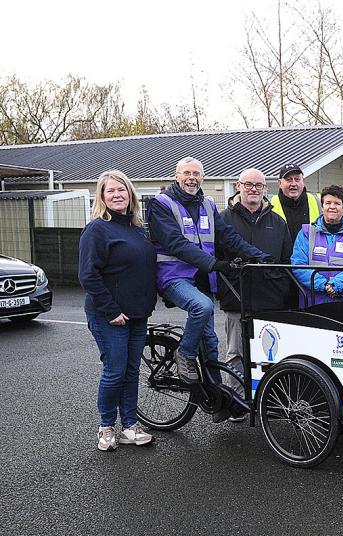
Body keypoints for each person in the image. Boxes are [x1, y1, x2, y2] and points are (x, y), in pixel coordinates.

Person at [147, 157, 268, 385]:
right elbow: (176, 244)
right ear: (176, 176)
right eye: (187, 173)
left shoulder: (208, 204)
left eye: (196, 174)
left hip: (203, 279)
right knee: (202, 307)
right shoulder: (161, 204)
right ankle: (185, 353)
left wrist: (258, 255)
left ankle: (216, 396)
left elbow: (228, 237)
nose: (192, 178)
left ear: (202, 177)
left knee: (211, 342)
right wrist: (214, 264)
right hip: (174, 276)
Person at [79, 170, 157, 451]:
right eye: (110, 191)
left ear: (130, 194)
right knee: (115, 370)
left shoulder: (136, 228)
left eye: (121, 190)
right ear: (101, 196)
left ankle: (130, 427)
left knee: (132, 371)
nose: (117, 195)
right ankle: (106, 427)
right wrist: (111, 310)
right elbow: (88, 275)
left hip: (137, 313)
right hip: (108, 315)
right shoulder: (97, 229)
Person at [217, 168, 293, 412]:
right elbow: (216, 258)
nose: (253, 189)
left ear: (265, 189)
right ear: (238, 186)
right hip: (236, 298)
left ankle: (267, 401)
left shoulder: (277, 222)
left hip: (270, 301)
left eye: (258, 185)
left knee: (270, 355)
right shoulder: (223, 219)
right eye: (248, 184)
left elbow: (286, 261)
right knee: (236, 354)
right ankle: (237, 403)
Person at [291, 184, 343, 306]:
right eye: (328, 203)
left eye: (337, 203)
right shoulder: (306, 233)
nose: (332, 207)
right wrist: (323, 285)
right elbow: (298, 264)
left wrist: (336, 285)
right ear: (322, 206)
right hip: (312, 303)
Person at [271, 163, 322, 242]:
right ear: (280, 183)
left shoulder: (317, 201)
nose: (293, 184)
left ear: (303, 182)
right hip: (281, 254)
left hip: (310, 253)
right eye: (289, 180)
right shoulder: (270, 204)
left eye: (297, 179)